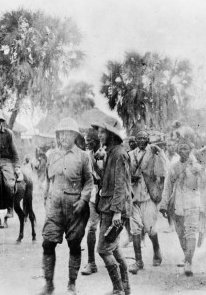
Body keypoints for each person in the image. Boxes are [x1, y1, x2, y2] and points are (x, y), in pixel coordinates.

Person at [38, 117, 93, 295]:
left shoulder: (83, 157)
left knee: (74, 245)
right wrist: (46, 199)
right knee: (47, 243)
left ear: (75, 136)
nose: (64, 137)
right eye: (61, 134)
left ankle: (71, 284)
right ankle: (49, 284)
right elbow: (47, 180)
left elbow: (89, 182)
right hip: (54, 207)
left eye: (68, 133)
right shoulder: (51, 155)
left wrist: (83, 200)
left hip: (75, 209)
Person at [92, 118, 132, 295]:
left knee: (103, 249)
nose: (99, 135)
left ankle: (118, 289)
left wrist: (116, 212)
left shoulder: (119, 154)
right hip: (109, 206)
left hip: (114, 209)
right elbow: (106, 181)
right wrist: (99, 162)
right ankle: (126, 288)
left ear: (111, 134)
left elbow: (120, 185)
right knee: (113, 248)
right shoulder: (112, 153)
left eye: (102, 132)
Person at [160, 139, 205, 276]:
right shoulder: (173, 167)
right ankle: (186, 255)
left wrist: (200, 172)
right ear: (177, 151)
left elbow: (204, 185)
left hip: (192, 203)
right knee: (181, 234)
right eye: (180, 149)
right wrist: (163, 204)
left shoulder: (196, 166)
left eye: (186, 149)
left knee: (191, 232)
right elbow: (167, 186)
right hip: (177, 204)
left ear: (190, 151)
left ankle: (188, 263)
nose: (183, 151)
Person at [128, 130, 167, 275]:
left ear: (147, 140)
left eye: (144, 138)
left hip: (148, 195)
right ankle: (138, 261)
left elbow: (163, 170)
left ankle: (156, 248)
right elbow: (126, 172)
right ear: (135, 140)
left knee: (150, 228)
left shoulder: (153, 153)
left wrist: (160, 152)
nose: (141, 141)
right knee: (135, 229)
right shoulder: (130, 155)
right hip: (134, 196)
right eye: (139, 138)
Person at [81, 128, 102, 276]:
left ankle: (114, 260)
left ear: (97, 142)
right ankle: (91, 262)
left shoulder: (105, 154)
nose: (88, 143)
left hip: (106, 194)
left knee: (109, 230)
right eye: (87, 141)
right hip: (93, 194)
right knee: (92, 228)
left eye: (91, 141)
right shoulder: (86, 156)